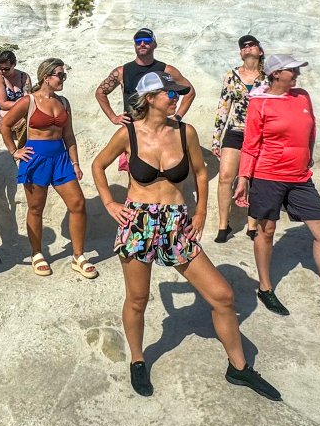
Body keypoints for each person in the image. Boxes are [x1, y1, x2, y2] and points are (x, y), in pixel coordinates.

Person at [91, 71, 281, 401]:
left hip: (177, 222)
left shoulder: (185, 132)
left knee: (222, 295)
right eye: (169, 93)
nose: (175, 98)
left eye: (177, 93)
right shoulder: (128, 134)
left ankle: (238, 367)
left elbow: (201, 171)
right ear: (150, 98)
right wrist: (109, 202)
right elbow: (98, 165)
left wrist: (201, 213)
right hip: (139, 222)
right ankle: (138, 359)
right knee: (138, 299)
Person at [233, 55, 320, 316]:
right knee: (266, 231)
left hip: (299, 177)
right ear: (276, 74)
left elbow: (311, 128)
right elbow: (250, 144)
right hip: (268, 174)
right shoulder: (259, 103)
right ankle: (265, 288)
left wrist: (308, 153)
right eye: (292, 70)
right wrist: (244, 178)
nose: (297, 74)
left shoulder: (302, 96)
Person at [0, 58, 97, 280]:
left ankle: (78, 256)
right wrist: (14, 151)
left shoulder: (63, 102)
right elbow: (5, 124)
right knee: (36, 208)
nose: (63, 79)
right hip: (36, 157)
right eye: (60, 75)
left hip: (61, 157)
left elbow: (69, 135)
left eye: (64, 75)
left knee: (78, 204)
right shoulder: (29, 101)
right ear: (47, 77)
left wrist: (75, 162)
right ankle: (37, 253)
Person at [95, 28, 195, 170]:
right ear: (134, 45)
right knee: (136, 174)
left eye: (147, 41)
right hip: (133, 132)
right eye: (138, 41)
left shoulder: (167, 70)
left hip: (160, 130)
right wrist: (113, 117)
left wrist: (177, 117)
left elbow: (190, 91)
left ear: (154, 44)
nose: (142, 44)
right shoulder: (123, 71)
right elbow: (100, 93)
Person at [211, 34, 264, 243]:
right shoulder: (231, 76)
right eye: (243, 46)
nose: (247, 48)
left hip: (260, 134)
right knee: (226, 176)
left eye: (251, 45)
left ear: (259, 51)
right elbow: (224, 107)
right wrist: (216, 138)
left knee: (256, 178)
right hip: (235, 131)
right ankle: (224, 225)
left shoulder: (269, 77)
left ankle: (252, 224)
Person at [0, 50, 31, 132]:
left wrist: (23, 103)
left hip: (19, 110)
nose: (3, 71)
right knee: (25, 120)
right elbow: (3, 104)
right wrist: (21, 103)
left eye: (6, 69)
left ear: (14, 64)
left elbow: (28, 98)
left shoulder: (24, 76)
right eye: (1, 68)